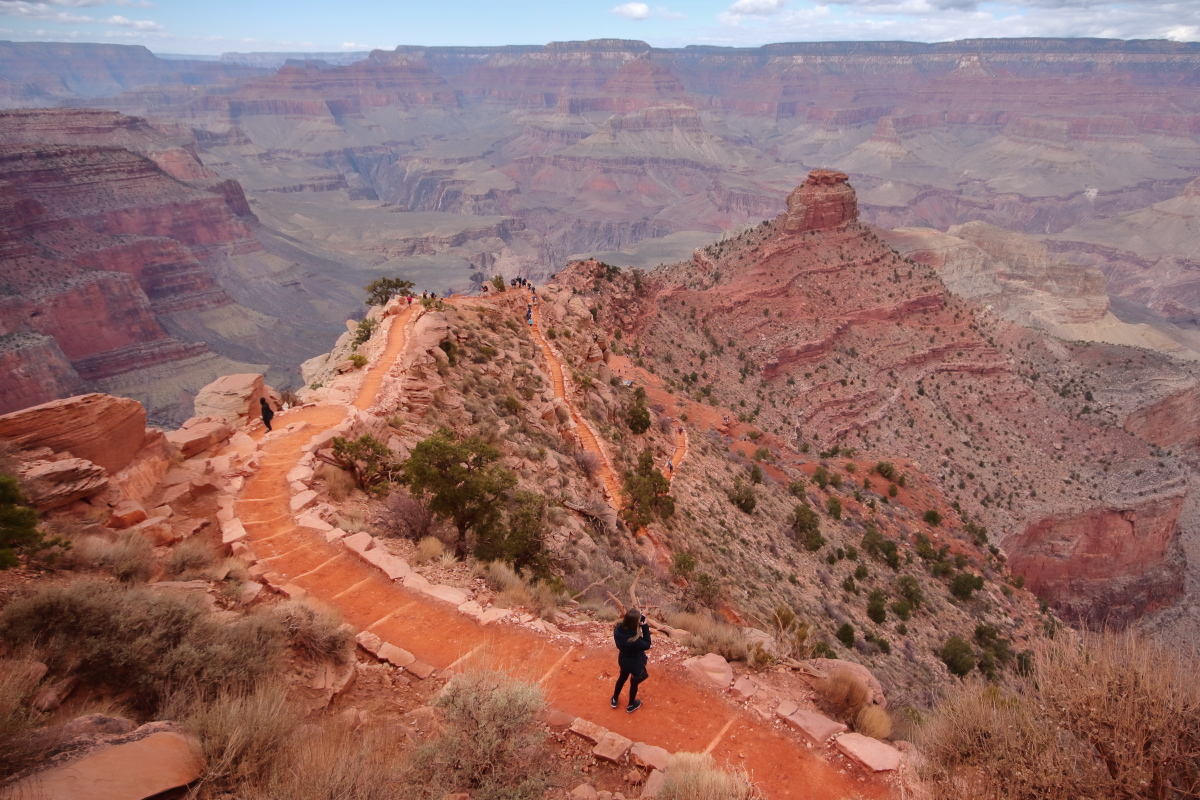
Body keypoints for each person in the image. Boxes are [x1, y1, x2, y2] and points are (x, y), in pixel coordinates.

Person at [612, 608, 651, 713]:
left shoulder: (617, 629)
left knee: (621, 678)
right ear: (635, 622)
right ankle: (630, 705)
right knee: (634, 683)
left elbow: (627, 629)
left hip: (624, 660)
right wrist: (645, 626)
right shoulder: (634, 639)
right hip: (635, 663)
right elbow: (647, 644)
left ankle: (614, 699)